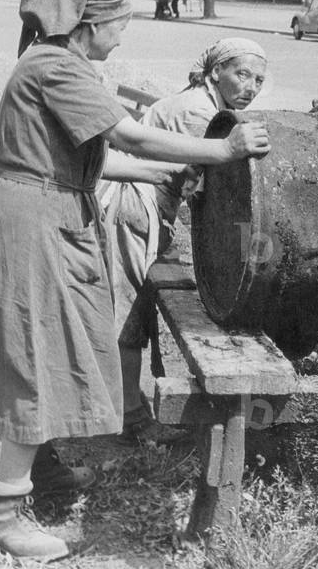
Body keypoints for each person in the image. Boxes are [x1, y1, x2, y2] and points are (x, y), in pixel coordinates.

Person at [0, 0, 270, 561]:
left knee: (49, 345)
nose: (122, 38)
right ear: (91, 22)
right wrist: (222, 149)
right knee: (32, 351)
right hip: (30, 220)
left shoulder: (63, 66)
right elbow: (130, 136)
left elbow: (99, 160)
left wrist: (173, 172)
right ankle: (2, 516)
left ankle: (39, 471)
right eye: (120, 25)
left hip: (47, 207)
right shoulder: (55, 66)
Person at [99, 38, 269, 445]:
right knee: (128, 316)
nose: (251, 86)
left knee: (131, 310)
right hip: (135, 207)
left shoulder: (202, 103)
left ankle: (122, 406)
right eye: (242, 74)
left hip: (145, 207)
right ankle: (129, 417)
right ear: (215, 72)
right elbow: (219, 183)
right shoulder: (199, 112)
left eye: (259, 79)